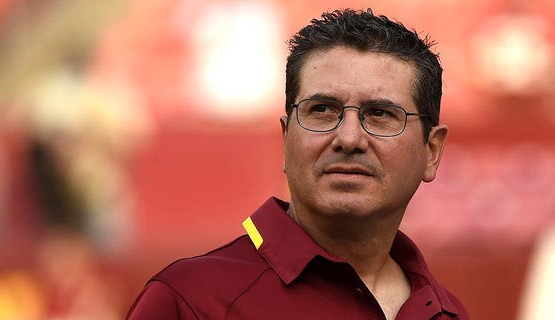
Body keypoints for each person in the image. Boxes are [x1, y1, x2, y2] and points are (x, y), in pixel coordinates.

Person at [127, 8, 469, 320]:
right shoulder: (192, 301)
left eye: (380, 114)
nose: (348, 139)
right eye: (322, 110)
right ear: (286, 136)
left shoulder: (445, 313)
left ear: (432, 150)